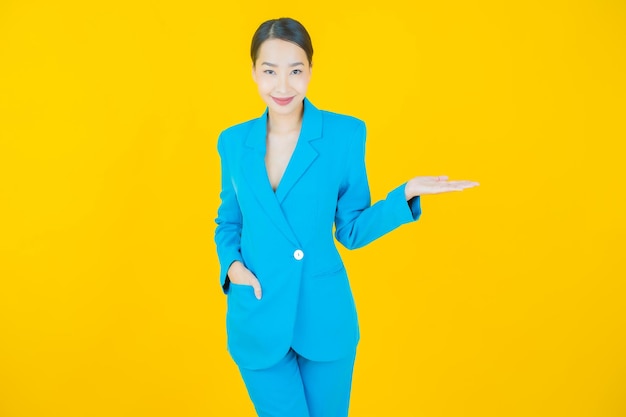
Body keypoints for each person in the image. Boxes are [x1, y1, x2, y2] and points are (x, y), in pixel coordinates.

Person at [214, 17, 479, 417]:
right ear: (253, 72)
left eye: (295, 71)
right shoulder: (233, 141)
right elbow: (228, 222)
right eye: (269, 71)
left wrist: (403, 196)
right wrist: (232, 267)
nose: (282, 86)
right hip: (258, 314)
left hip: (323, 317)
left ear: (310, 71)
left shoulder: (345, 134)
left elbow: (352, 229)